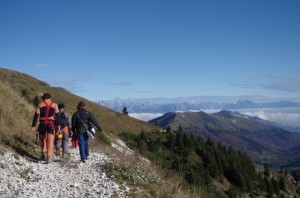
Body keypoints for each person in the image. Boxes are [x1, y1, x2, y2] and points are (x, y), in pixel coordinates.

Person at [32, 93, 60, 164]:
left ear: (43, 98)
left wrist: (33, 126)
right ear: (50, 98)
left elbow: (36, 116)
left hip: (42, 124)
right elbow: (58, 117)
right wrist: (58, 126)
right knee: (50, 141)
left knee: (42, 139)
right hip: (51, 125)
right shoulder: (54, 105)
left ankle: (43, 153)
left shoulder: (40, 105)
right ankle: (49, 157)